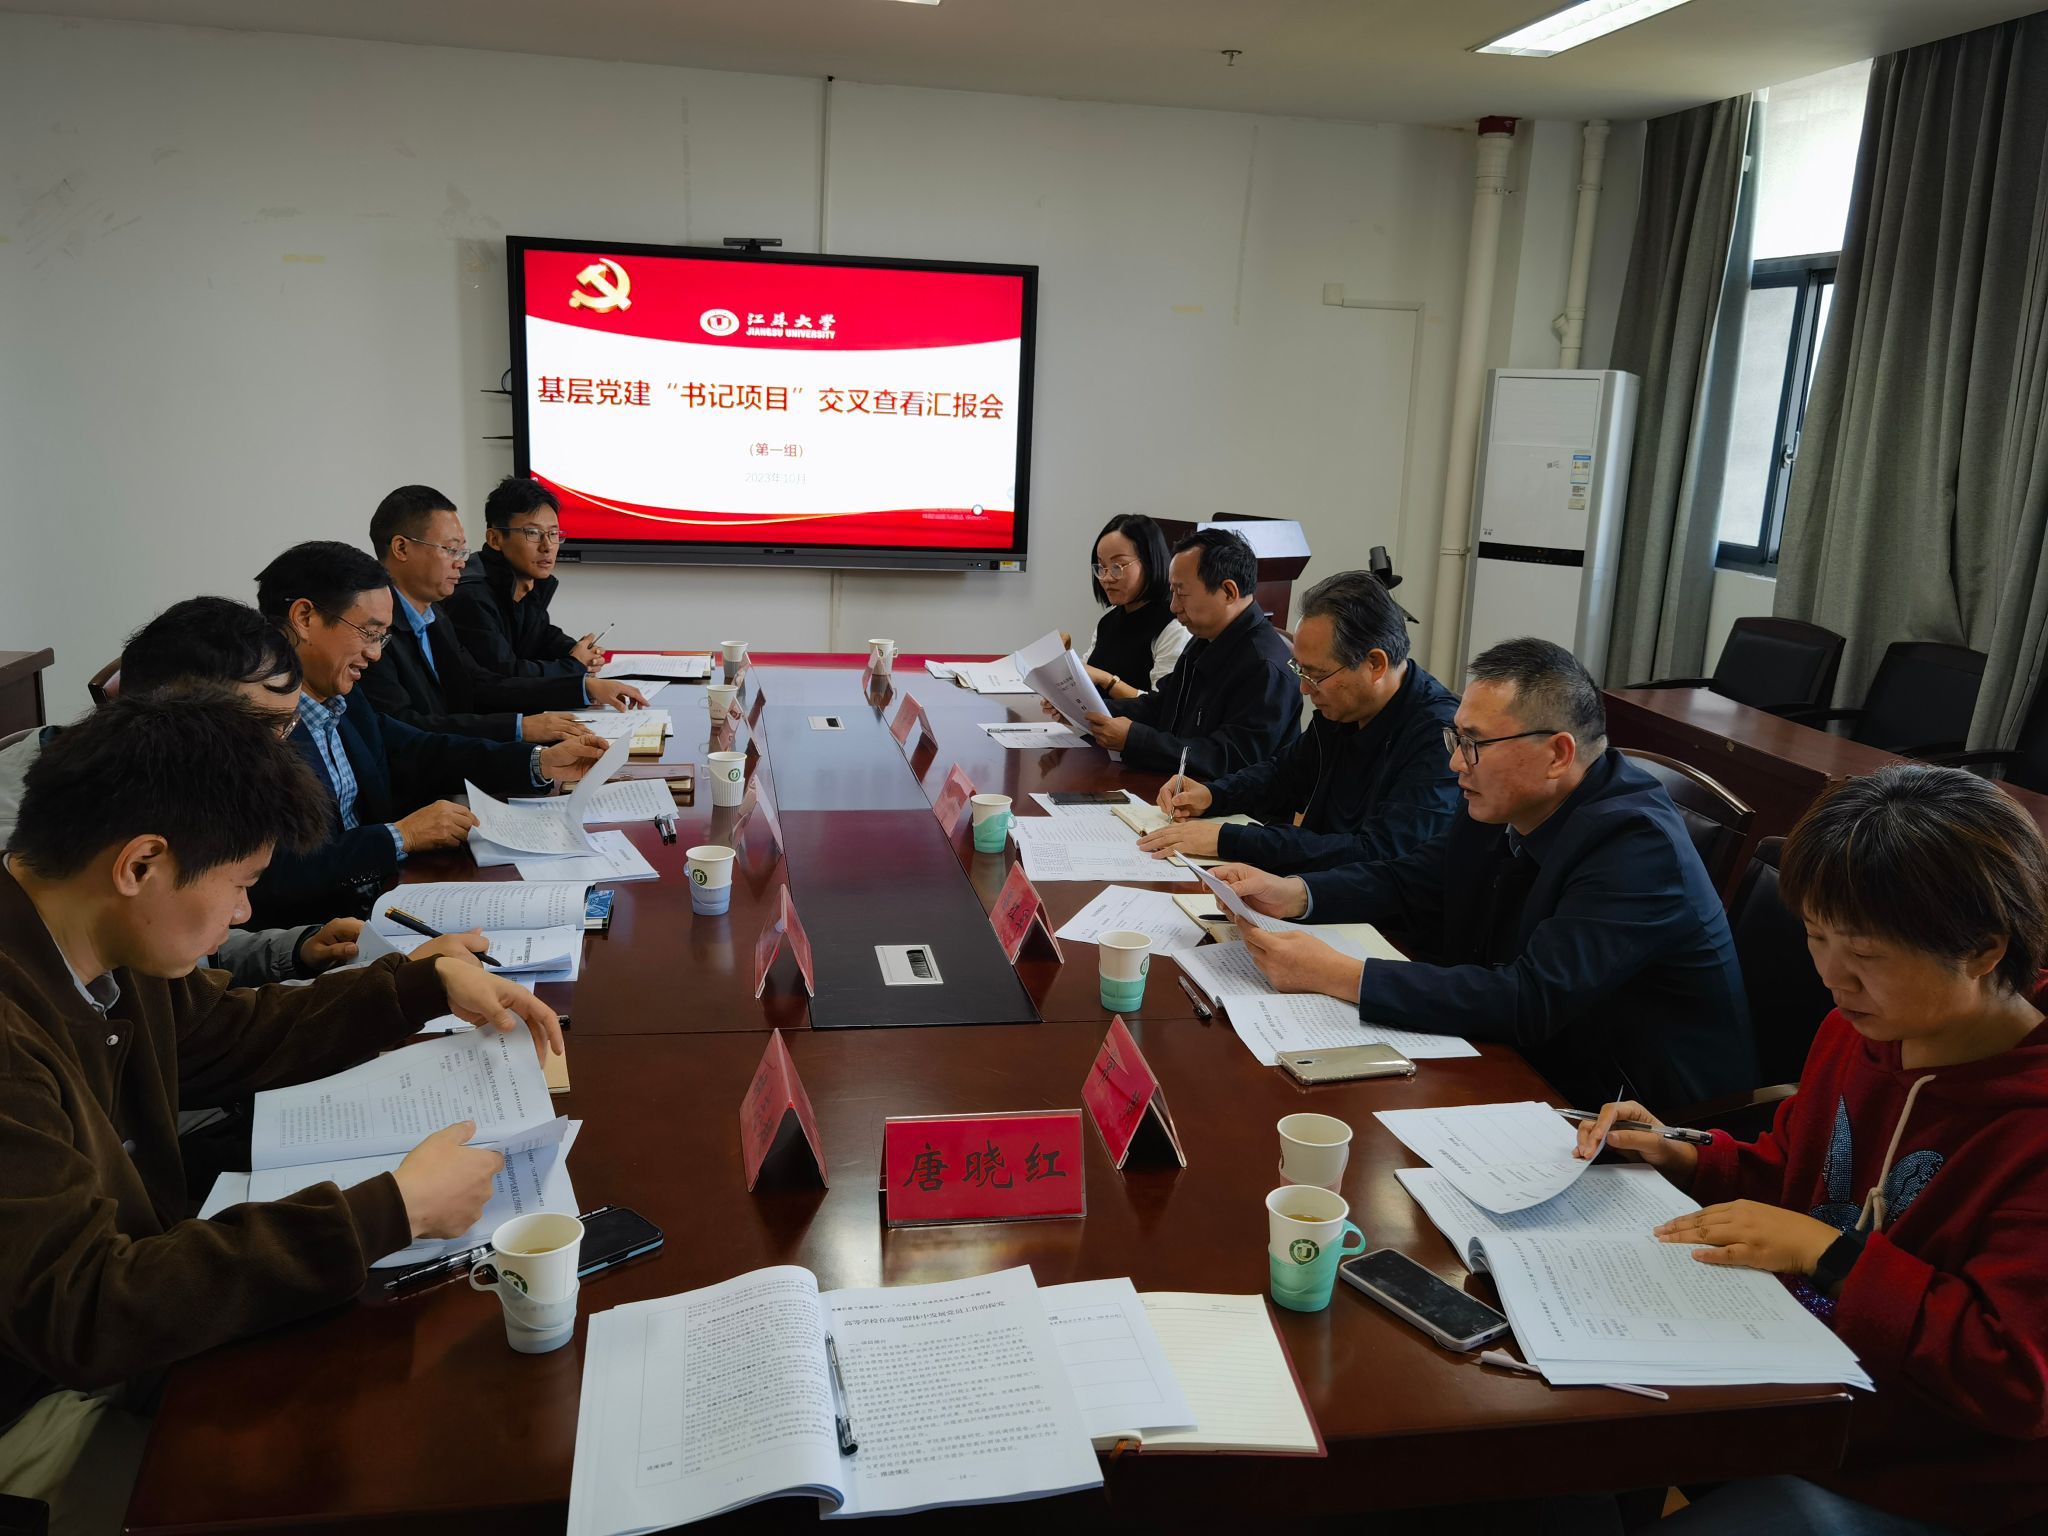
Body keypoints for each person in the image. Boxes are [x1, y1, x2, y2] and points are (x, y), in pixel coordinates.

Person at [0, 690, 563, 1534]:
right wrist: (391, 1210)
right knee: (397, 1459)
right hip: (34, 1408)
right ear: (140, 864)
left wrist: (420, 985)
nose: (244, 915)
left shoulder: (99, 938)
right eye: (239, 886)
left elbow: (225, 1036)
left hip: (120, 1325)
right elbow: (86, 1310)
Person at [1578, 764, 2048, 1535]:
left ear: (1984, 950)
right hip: (1786, 1392)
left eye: (1866, 954)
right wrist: (1685, 1156)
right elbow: (1796, 1177)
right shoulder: (1857, 1032)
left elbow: (2014, 1379)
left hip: (1932, 1478)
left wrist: (1832, 1258)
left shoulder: (2029, 1120)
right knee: (1545, 1454)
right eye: (1816, 936)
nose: (1832, 977)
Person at [1214, 636, 1752, 1112]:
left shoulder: (1636, 845)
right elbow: (1416, 879)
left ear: (1557, 754)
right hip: (1519, 1061)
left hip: (1628, 1113)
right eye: (1455, 739)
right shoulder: (1505, 798)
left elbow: (1530, 999)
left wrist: (1338, 974)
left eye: (1473, 743)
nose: (1455, 763)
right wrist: (1296, 893)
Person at [1, 598, 369, 986]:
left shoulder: (161, 781)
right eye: (257, 730)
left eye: (286, 726)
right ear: (170, 716)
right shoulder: (34, 850)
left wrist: (293, 950)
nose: (275, 751)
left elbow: (174, 943)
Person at [250, 541, 606, 928]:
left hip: (387, 898)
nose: (375, 654)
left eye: (382, 638)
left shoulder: (342, 699)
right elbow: (271, 874)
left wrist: (538, 762)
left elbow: (422, 751)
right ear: (305, 618)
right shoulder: (252, 727)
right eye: (368, 633)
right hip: (315, 935)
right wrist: (401, 836)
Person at [1135, 569, 1458, 870]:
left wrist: (1228, 839)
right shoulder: (1344, 707)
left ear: (1374, 664)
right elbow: (1282, 774)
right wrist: (1213, 795)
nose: (1304, 688)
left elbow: (1376, 854)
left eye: (1316, 675)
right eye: (1300, 670)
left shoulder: (1439, 737)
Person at [361, 484, 644, 741]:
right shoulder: (371, 631)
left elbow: (481, 684)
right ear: (401, 548)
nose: (461, 563)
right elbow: (405, 729)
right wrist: (521, 728)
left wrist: (583, 688)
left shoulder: (434, 616)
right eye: (450, 549)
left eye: (461, 551)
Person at [1081, 527, 1299, 779]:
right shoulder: (1205, 638)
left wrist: (1135, 739)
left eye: (1181, 593)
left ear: (1228, 592)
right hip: (1178, 784)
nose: (1173, 607)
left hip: (1225, 799)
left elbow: (1226, 759)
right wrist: (1089, 711)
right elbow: (1162, 705)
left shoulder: (1264, 666)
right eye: (1172, 592)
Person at [444, 477, 603, 681]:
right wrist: (573, 665)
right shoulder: (471, 596)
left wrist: (579, 651)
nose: (547, 546)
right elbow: (504, 675)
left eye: (554, 533)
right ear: (495, 539)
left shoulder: (526, 584)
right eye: (532, 533)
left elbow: (541, 639)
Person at [1078, 514, 1189, 698]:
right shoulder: (1109, 620)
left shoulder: (1174, 626)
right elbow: (1086, 672)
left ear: (1149, 561)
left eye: (1118, 566)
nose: (1106, 578)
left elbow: (1162, 706)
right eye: (1101, 567)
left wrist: (1108, 680)